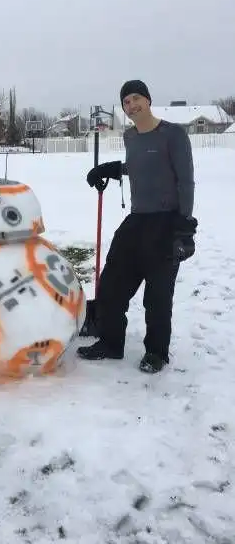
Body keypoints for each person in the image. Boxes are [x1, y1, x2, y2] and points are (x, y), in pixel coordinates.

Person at [77, 80, 197, 373]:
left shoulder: (173, 134)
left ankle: (156, 353)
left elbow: (185, 181)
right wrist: (113, 169)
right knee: (111, 285)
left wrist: (184, 227)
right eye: (126, 102)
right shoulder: (130, 136)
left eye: (135, 98)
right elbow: (140, 166)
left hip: (167, 222)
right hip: (137, 220)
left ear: (148, 100)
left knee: (157, 296)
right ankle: (110, 343)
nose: (131, 106)